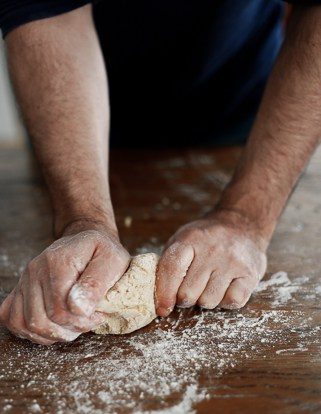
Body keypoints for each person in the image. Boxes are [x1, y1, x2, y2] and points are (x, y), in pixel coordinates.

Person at [0, 0, 319, 345]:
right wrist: (81, 221)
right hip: (74, 115)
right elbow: (49, 13)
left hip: (245, 111)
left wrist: (246, 217)